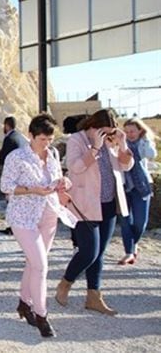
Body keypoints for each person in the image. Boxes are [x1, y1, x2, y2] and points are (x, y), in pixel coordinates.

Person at [55, 109, 133, 316]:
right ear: (92, 127)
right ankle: (65, 283)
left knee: (99, 253)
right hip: (85, 205)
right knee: (89, 251)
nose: (107, 136)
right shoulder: (76, 140)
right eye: (103, 132)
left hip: (108, 204)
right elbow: (75, 167)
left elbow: (126, 166)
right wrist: (95, 149)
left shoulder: (111, 142)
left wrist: (122, 144)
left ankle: (93, 296)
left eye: (109, 133)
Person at [0, 114, 71, 338]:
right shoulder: (17, 156)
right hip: (23, 216)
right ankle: (41, 315)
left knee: (34, 264)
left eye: (50, 139)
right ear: (30, 135)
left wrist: (63, 182)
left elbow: (56, 177)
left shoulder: (53, 154)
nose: (47, 144)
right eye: (42, 139)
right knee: (41, 265)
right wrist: (32, 189)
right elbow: (6, 186)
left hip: (49, 214)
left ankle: (24, 303)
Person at [118, 118, 156, 265]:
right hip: (124, 186)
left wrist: (146, 139)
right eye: (126, 131)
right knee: (125, 221)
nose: (130, 134)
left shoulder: (143, 143)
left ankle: (134, 244)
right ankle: (129, 251)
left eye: (132, 131)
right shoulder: (121, 144)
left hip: (142, 186)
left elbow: (151, 154)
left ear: (140, 130)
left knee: (140, 222)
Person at [0, 116, 30, 236]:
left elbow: (3, 157)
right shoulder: (21, 137)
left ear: (6, 125)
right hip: (23, 175)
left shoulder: (9, 138)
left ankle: (13, 227)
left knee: (11, 202)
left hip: (12, 175)